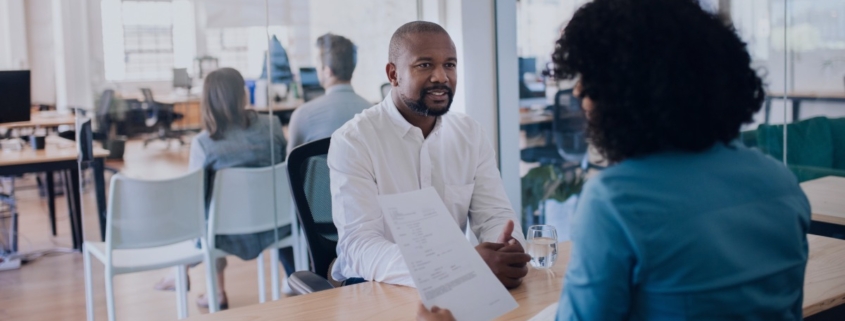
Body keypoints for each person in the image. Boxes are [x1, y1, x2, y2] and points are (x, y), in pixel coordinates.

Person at [419, 0, 811, 319]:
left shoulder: (620, 201)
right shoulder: (780, 181)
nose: (579, 93)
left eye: (590, 78)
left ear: (630, 91)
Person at [328, 21, 530, 288]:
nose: (441, 77)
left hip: (458, 287)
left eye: (450, 65)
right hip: (377, 285)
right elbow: (360, 246)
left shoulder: (470, 134)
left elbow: (495, 215)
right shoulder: (354, 141)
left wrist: (508, 248)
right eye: (424, 65)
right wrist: (457, 265)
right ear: (393, 74)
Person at [153, 67, 289, 310]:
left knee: (204, 210)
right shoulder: (273, 126)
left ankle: (210, 288)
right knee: (216, 211)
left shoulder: (205, 144)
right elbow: (283, 172)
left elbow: (194, 200)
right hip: (275, 223)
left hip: (226, 233)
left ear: (208, 101)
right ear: (243, 95)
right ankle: (189, 278)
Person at [276, 34, 371, 290]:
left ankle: (294, 279)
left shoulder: (303, 115)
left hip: (318, 224)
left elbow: (291, 170)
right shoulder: (373, 113)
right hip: (364, 221)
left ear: (326, 71)